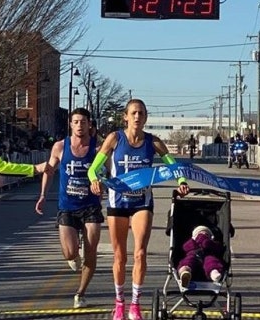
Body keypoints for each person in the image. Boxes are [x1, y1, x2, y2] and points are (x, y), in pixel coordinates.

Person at [87, 99, 189, 320]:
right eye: (133, 113)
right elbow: (93, 168)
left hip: (142, 203)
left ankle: (135, 303)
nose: (137, 117)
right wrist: (95, 179)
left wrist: (181, 180)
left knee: (140, 253)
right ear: (125, 116)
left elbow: (173, 166)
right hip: (118, 203)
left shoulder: (153, 142)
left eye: (141, 113)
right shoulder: (115, 139)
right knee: (119, 256)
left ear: (146, 117)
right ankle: (120, 303)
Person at [35, 108, 104, 309]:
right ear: (70, 124)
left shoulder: (97, 149)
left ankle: (80, 293)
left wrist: (104, 185)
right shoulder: (59, 146)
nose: (80, 125)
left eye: (83, 122)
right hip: (67, 206)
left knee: (91, 252)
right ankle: (73, 257)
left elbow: (109, 173)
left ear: (89, 124)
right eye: (76, 121)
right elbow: (49, 170)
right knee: (70, 253)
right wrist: (42, 195)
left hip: (91, 205)